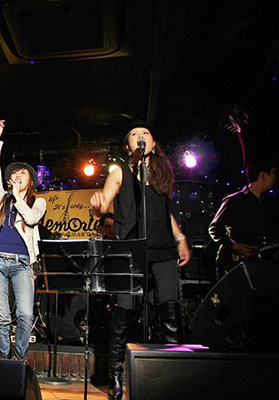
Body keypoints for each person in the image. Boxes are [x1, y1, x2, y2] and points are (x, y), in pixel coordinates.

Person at [90, 119, 190, 400]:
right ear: (128, 146)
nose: (140, 136)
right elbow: (104, 202)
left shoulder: (160, 174)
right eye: (134, 134)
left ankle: (172, 373)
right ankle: (116, 375)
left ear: (153, 144)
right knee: (124, 311)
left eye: (145, 133)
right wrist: (98, 206)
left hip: (162, 248)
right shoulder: (119, 172)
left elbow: (166, 213)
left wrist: (181, 238)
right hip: (130, 249)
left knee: (169, 307)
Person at [0, 118, 47, 360]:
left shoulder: (38, 202)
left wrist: (17, 197)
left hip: (22, 264)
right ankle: (5, 361)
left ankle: (18, 358)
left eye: (23, 173)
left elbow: (32, 219)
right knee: (2, 317)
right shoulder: (2, 198)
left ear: (31, 181)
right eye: (15, 173)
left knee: (25, 314)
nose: (17, 175)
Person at [208, 160, 277, 277]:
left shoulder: (269, 204)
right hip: (234, 264)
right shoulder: (234, 200)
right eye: (273, 173)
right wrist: (233, 246)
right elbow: (214, 228)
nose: (275, 178)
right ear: (263, 175)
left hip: (260, 265)